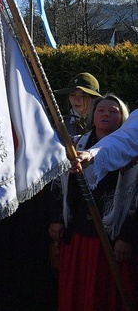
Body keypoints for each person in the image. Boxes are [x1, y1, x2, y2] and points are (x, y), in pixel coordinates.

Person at [49, 94, 137, 310]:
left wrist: (127, 236)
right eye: (101, 110)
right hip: (82, 236)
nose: (106, 114)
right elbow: (120, 143)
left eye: (113, 111)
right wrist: (92, 154)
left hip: (111, 238)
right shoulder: (78, 144)